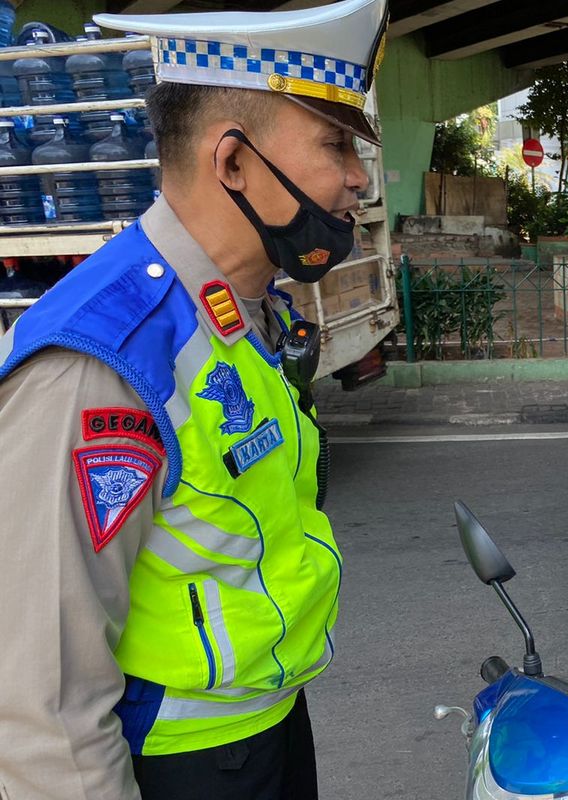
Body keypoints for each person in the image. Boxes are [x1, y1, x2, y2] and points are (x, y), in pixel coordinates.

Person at [0, 0, 387, 797]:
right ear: (233, 162)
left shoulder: (245, 315)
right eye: (334, 143)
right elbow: (41, 700)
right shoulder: (104, 358)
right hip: (182, 765)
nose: (356, 177)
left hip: (268, 728)